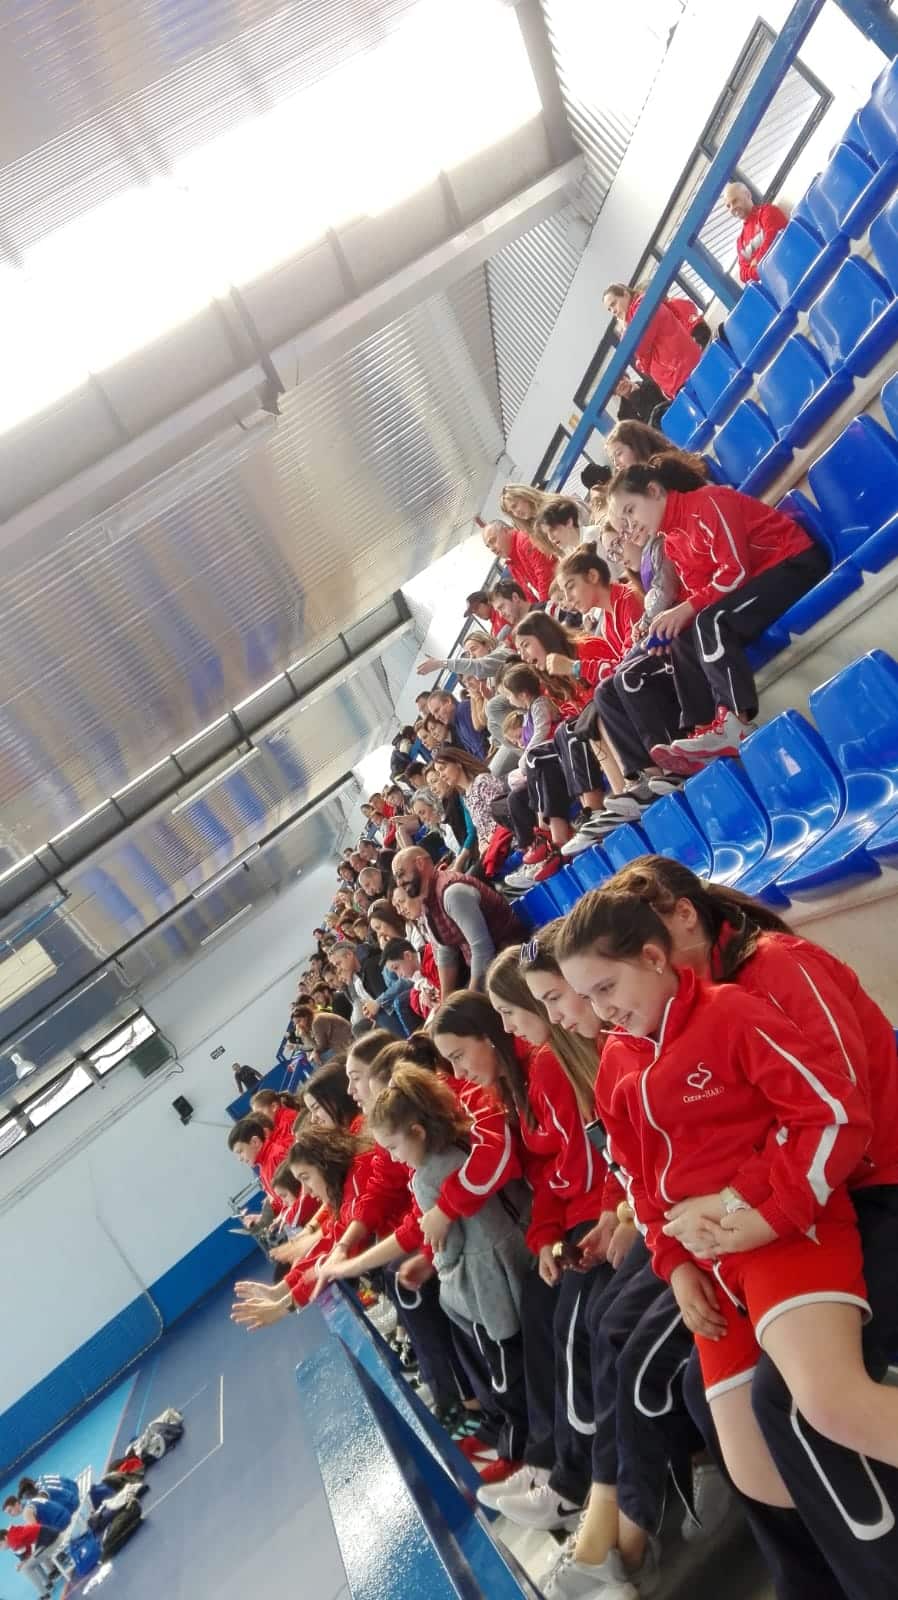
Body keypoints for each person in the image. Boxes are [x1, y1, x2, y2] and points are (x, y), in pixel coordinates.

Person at [555, 894, 898, 1569]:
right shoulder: (619, 1067)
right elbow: (639, 1183)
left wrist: (765, 1216)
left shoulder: (733, 1012)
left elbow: (830, 1116)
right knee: (757, 1470)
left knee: (829, 1405)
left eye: (606, 986)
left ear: (654, 957)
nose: (599, 1011)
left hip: (788, 1236)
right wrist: (676, 1265)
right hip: (710, 1267)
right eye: (584, 997)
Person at [605, 454, 829, 771]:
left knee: (712, 620)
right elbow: (702, 592)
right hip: (755, 585)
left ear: (654, 491)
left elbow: (734, 572)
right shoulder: (671, 543)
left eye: (630, 511)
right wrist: (672, 626)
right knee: (683, 637)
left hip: (793, 564)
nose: (629, 527)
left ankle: (736, 722)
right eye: (622, 525)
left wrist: (685, 609)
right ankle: (703, 729)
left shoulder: (708, 501)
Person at [369, 1064, 532, 1477]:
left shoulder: (426, 1179)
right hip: (510, 1256)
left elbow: (449, 1246)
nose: (392, 1157)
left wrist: (435, 1266)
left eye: (393, 1147)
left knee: (506, 1374)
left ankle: (527, 1454)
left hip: (483, 1283)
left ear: (417, 1132)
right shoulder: (457, 1145)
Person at [391, 846, 522, 995]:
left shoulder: (452, 893)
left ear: (420, 863)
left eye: (401, 874)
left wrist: (471, 996)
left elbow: (483, 950)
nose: (399, 882)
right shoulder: (427, 901)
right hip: (488, 967)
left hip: (510, 957)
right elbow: (446, 951)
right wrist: (445, 1000)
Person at [603, 283, 703, 400]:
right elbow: (639, 359)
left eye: (614, 304)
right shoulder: (632, 323)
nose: (613, 311)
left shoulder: (644, 306)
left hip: (685, 370)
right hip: (675, 381)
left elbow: (639, 348)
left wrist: (625, 328)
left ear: (625, 294)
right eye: (609, 310)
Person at [724, 181, 788, 285]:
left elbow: (775, 242)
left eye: (735, 201)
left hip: (790, 266)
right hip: (776, 286)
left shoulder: (767, 212)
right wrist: (761, 267)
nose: (732, 208)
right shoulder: (740, 242)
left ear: (748, 195)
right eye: (728, 206)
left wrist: (755, 262)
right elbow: (743, 275)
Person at [482, 520, 557, 603]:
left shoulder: (523, 540)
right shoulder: (511, 563)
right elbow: (527, 594)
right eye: (489, 547)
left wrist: (543, 606)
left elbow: (545, 573)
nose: (492, 549)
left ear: (506, 530)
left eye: (493, 541)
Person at [426, 688, 488, 761]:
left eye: (437, 710)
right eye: (434, 714)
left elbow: (481, 748)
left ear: (448, 701)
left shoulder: (463, 710)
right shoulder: (456, 723)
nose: (436, 717)